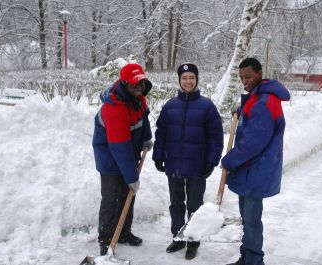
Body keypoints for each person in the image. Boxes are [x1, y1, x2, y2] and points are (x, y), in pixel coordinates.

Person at [221, 57, 290, 265]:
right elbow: (254, 120)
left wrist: (229, 160)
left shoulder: (266, 100)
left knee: (251, 220)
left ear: (259, 73)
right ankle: (247, 257)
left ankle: (254, 261)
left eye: (248, 76)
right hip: (251, 168)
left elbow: (253, 142)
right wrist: (241, 110)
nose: (245, 81)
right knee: (247, 218)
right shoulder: (258, 96)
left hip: (257, 168)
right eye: (241, 77)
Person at [152, 63, 223, 260]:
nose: (188, 81)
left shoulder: (207, 106)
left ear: (197, 79)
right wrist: (158, 155)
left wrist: (211, 161)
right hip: (174, 163)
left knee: (194, 204)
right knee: (176, 204)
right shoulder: (170, 106)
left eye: (192, 77)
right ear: (179, 80)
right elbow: (161, 134)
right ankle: (178, 236)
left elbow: (216, 138)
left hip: (197, 165)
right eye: (184, 78)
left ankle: (192, 240)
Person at [92, 63, 153, 256]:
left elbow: (144, 118)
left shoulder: (138, 99)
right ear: (124, 83)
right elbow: (119, 147)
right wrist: (131, 176)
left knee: (128, 195)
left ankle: (124, 233)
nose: (140, 88)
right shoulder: (114, 108)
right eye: (135, 84)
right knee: (111, 198)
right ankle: (106, 238)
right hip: (110, 156)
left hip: (128, 152)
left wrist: (146, 138)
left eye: (142, 84)